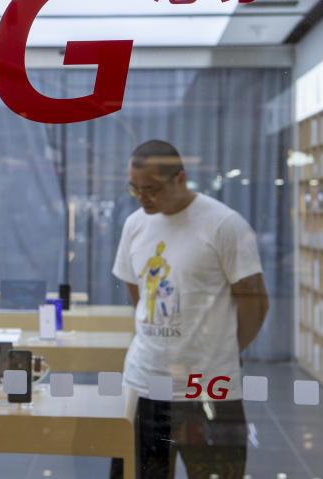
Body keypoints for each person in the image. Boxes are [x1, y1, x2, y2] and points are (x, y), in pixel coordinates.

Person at [110, 140, 269, 479]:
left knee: (218, 473)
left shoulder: (225, 225)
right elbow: (137, 289)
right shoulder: (135, 224)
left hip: (209, 384)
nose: (141, 197)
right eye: (134, 188)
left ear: (180, 179)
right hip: (146, 378)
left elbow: (255, 300)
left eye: (150, 189)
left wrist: (225, 348)